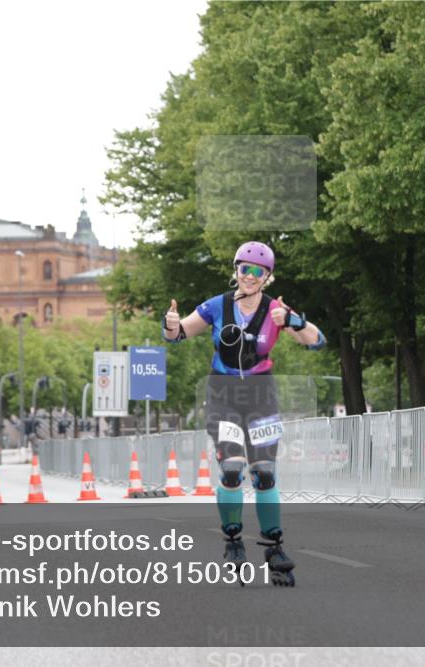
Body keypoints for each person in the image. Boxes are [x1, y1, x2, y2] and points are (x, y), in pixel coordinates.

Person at [162, 241, 326, 587]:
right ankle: (233, 538)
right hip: (223, 394)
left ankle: (274, 546)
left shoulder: (276, 309)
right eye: (244, 269)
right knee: (233, 467)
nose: (250, 276)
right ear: (235, 270)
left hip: (261, 395)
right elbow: (177, 335)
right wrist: (170, 323)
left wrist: (293, 320)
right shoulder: (217, 305)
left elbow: (316, 340)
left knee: (264, 472)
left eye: (258, 272)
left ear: (268, 277)